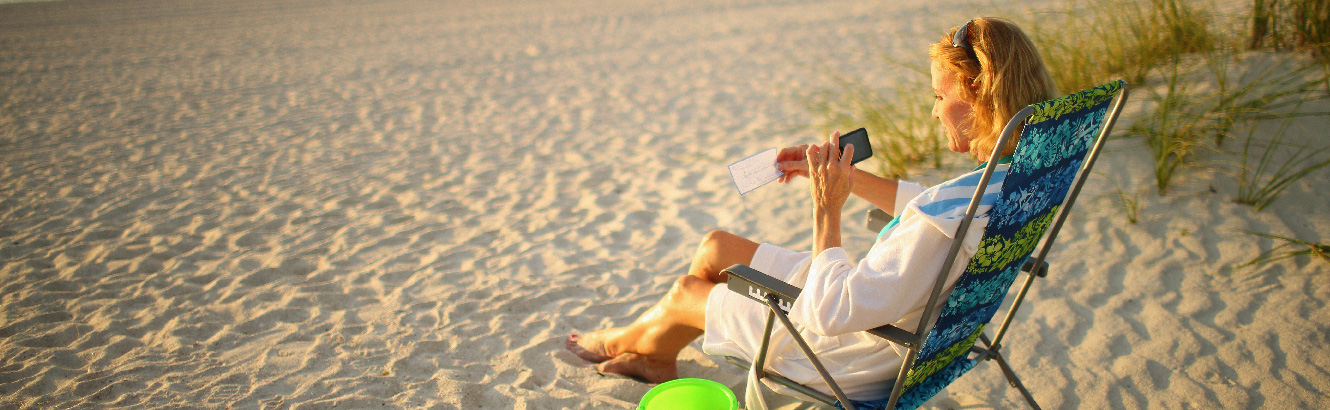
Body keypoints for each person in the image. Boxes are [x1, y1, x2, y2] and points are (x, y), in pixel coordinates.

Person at [566, 17, 1059, 402]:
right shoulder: (1016, 180)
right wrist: (832, 172)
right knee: (717, 246)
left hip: (847, 354)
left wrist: (828, 207)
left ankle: (623, 343)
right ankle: (657, 356)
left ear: (977, 94)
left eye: (939, 96)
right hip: (883, 307)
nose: (934, 111)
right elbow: (923, 207)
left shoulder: (939, 224)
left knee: (686, 290)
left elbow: (830, 312)